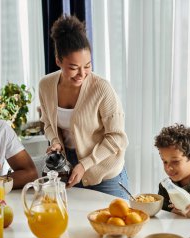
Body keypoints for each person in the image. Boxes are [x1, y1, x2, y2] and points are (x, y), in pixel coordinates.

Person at [39, 15, 129, 199]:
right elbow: (47, 122)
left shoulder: (101, 88)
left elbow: (117, 137)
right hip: (69, 170)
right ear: (58, 61)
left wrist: (86, 164)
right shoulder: (46, 86)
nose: (82, 74)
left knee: (116, 225)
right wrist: (55, 141)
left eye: (87, 66)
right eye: (73, 67)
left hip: (104, 171)